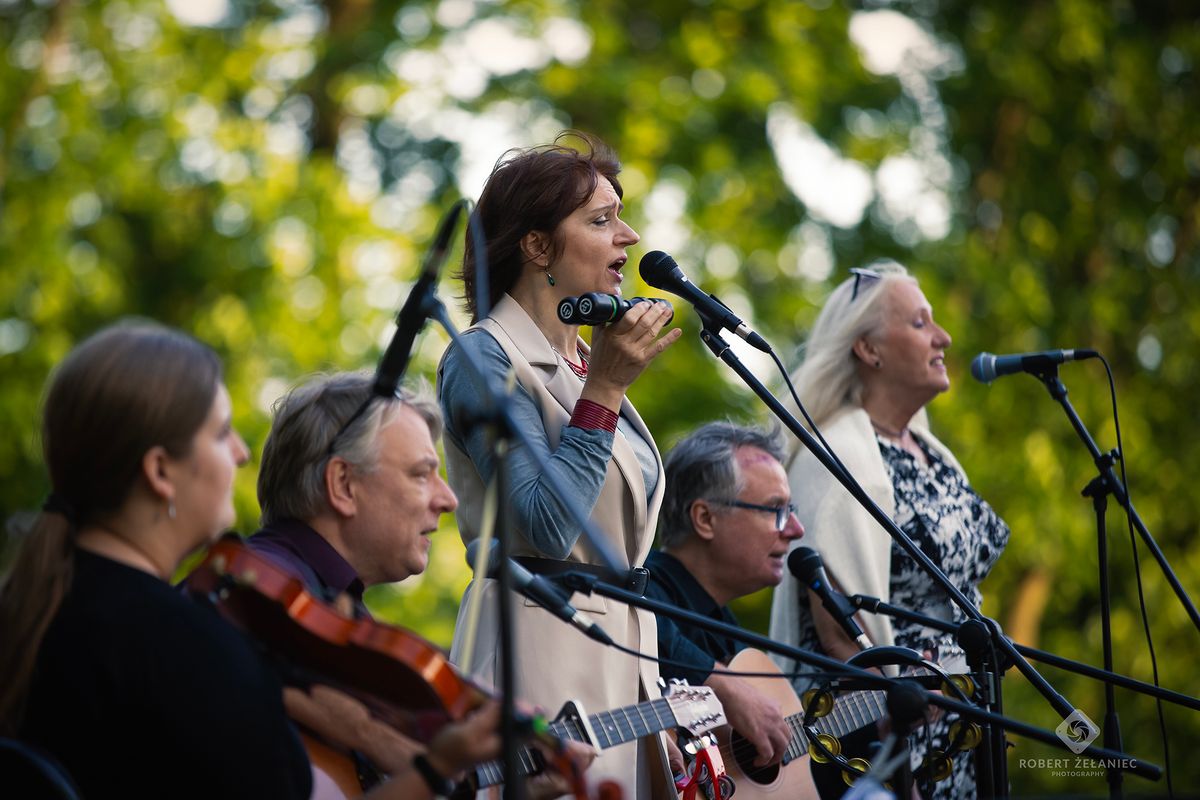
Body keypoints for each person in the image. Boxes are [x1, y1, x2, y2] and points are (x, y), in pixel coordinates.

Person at [0, 323, 501, 800]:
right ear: (159, 471)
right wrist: (436, 772)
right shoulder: (189, 640)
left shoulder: (39, 607)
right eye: (221, 434)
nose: (241, 453)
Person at [438, 131, 681, 798]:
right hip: (536, 654)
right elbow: (544, 523)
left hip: (624, 669)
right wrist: (606, 390)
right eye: (601, 221)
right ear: (537, 246)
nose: (628, 237)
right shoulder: (482, 356)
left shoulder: (586, 360)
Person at [250, 371, 591, 796]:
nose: (448, 499)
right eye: (421, 474)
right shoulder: (257, 585)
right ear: (342, 485)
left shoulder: (335, 608)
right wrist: (374, 737)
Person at [768, 263, 1011, 799]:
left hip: (959, 720)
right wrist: (895, 712)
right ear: (869, 350)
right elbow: (836, 625)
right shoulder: (834, 454)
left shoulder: (933, 454)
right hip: (881, 731)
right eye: (920, 323)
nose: (943, 336)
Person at [648, 422, 804, 771]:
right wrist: (721, 685)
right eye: (776, 510)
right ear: (705, 518)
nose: (796, 530)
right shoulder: (641, 588)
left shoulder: (724, 624)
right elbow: (628, 619)